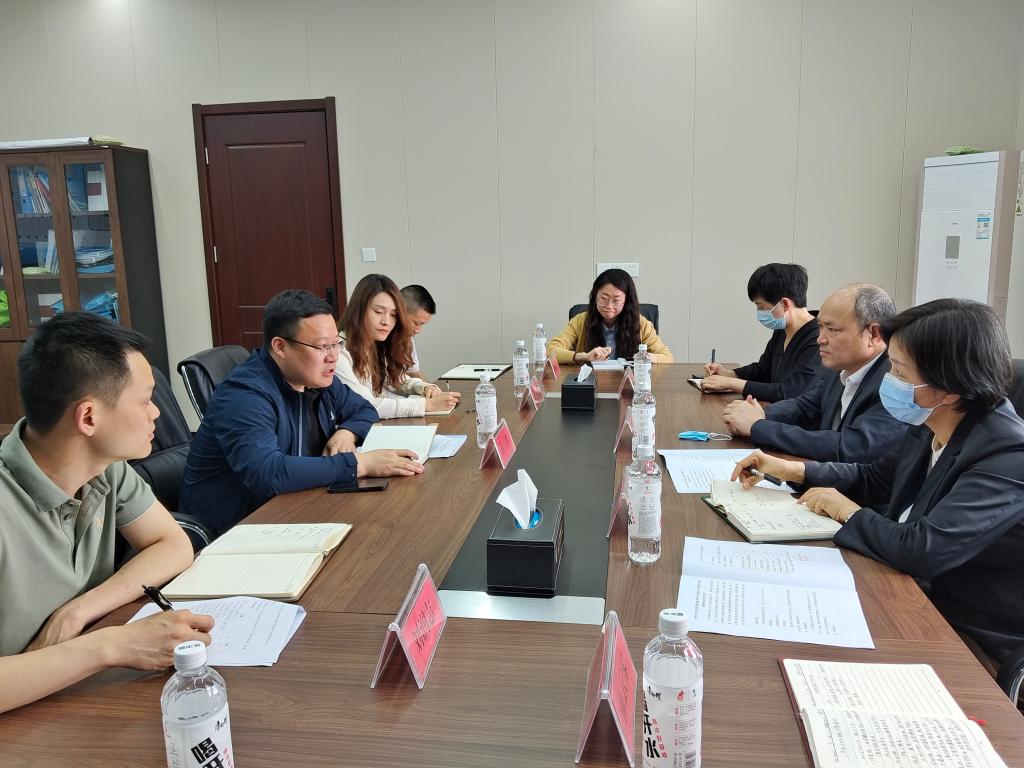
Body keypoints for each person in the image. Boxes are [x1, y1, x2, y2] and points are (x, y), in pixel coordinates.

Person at [732, 299, 1024, 665]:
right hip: (903, 592)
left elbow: (921, 550)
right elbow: (876, 477)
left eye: (900, 372)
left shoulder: (1007, 454)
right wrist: (795, 471)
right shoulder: (931, 420)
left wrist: (848, 512)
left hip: (962, 635)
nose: (889, 381)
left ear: (950, 390)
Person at [0, 312, 213, 713]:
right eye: (145, 400)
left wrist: (78, 611)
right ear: (89, 417)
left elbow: (172, 544)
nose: (156, 413)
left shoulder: (105, 467)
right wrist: (110, 645)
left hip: (75, 695)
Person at [180, 290, 423, 538]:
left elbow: (363, 409)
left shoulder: (316, 379)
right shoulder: (244, 396)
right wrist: (361, 464)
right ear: (280, 347)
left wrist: (347, 432)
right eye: (322, 346)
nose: (333, 357)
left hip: (296, 509)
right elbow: (268, 473)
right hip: (236, 531)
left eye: (336, 344)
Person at [722, 284, 907, 463]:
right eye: (820, 327)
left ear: (874, 334)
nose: (820, 339)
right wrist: (759, 413)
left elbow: (849, 447)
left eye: (832, 329)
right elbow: (806, 406)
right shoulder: (841, 368)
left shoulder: (896, 384)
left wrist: (759, 426)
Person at [336, 274, 460, 418]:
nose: (386, 321)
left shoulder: (374, 343)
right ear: (358, 310)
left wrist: (423, 387)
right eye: (378, 312)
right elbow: (365, 404)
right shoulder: (338, 351)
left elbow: (392, 379)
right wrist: (427, 405)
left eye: (393, 314)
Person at [702, 263, 821, 401]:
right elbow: (763, 370)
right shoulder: (782, 330)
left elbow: (787, 392)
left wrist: (730, 383)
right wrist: (728, 374)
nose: (759, 313)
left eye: (761, 307)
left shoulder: (818, 339)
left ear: (785, 304)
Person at [547, 268, 673, 364]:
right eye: (604, 298)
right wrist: (584, 356)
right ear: (595, 297)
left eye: (616, 300)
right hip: (592, 382)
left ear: (626, 301)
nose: (609, 306)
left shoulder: (640, 323)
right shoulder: (580, 321)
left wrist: (649, 357)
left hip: (628, 384)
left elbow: (667, 356)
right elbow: (551, 350)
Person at [401, 284, 435, 378]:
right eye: (416, 323)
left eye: (422, 324)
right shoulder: (379, 338)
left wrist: (431, 386)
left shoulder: (407, 339)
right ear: (400, 312)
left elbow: (414, 372)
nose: (418, 331)